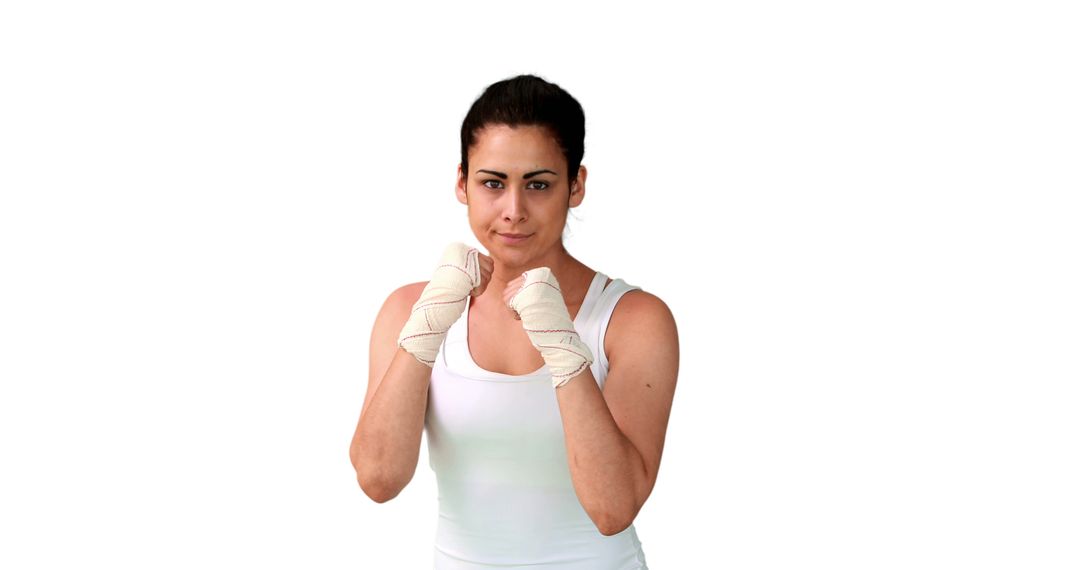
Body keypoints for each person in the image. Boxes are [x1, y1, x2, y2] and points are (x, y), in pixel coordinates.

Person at [349, 74, 679, 569]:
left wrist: (564, 347)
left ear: (576, 185)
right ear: (462, 183)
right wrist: (427, 327)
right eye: (493, 183)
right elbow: (378, 479)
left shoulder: (630, 319)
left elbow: (613, 508)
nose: (514, 211)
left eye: (539, 185)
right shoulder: (410, 309)